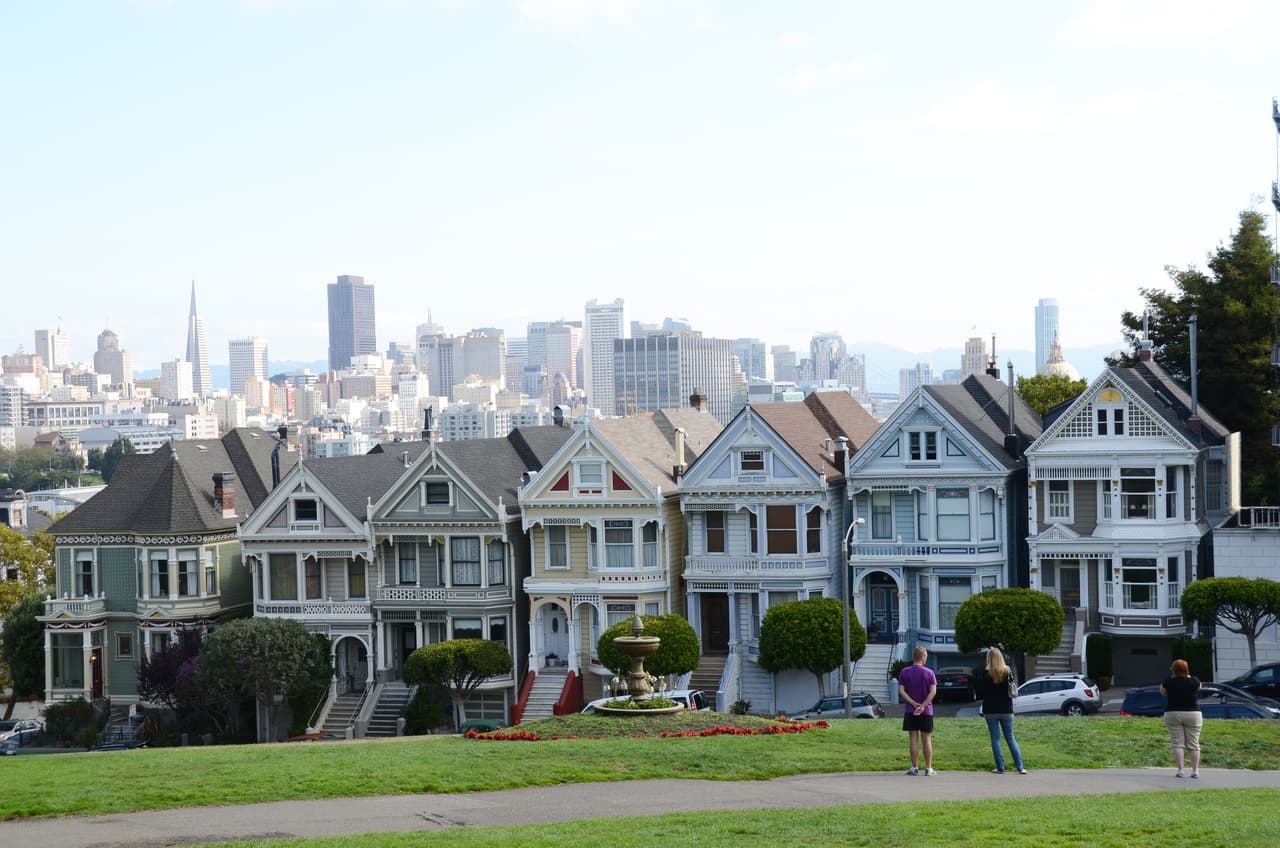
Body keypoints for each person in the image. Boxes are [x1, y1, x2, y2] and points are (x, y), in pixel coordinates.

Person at [975, 647, 1026, 774]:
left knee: (995, 738)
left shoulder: (985, 673)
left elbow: (981, 692)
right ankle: (1020, 767)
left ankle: (1000, 767)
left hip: (990, 709)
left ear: (989, 659)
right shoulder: (1007, 671)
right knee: (1010, 737)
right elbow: (1011, 688)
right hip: (1006, 709)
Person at [898, 645, 937, 775]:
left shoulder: (904, 672)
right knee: (926, 739)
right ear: (923, 657)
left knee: (913, 739)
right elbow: (933, 692)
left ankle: (914, 767)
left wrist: (914, 703)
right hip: (926, 711)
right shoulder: (929, 673)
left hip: (910, 710)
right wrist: (923, 706)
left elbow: (901, 691)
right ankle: (928, 768)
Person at [1160, 658, 1202, 778]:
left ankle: (1180, 770)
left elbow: (1163, 692)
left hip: (1173, 712)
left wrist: (1173, 675)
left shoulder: (1168, 682)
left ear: (1173, 670)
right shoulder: (1194, 681)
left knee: (1177, 743)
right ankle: (1195, 771)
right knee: (1194, 743)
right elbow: (1198, 688)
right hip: (1193, 713)